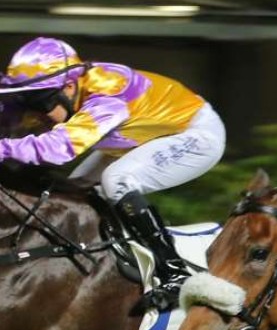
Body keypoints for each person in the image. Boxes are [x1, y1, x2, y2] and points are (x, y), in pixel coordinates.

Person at [0, 37, 226, 307]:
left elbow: (58, 148)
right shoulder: (68, 86)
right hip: (137, 138)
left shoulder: (108, 94)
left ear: (69, 86)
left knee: (116, 180)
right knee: (74, 192)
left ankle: (174, 273)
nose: (37, 113)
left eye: (40, 102)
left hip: (195, 135)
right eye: (28, 102)